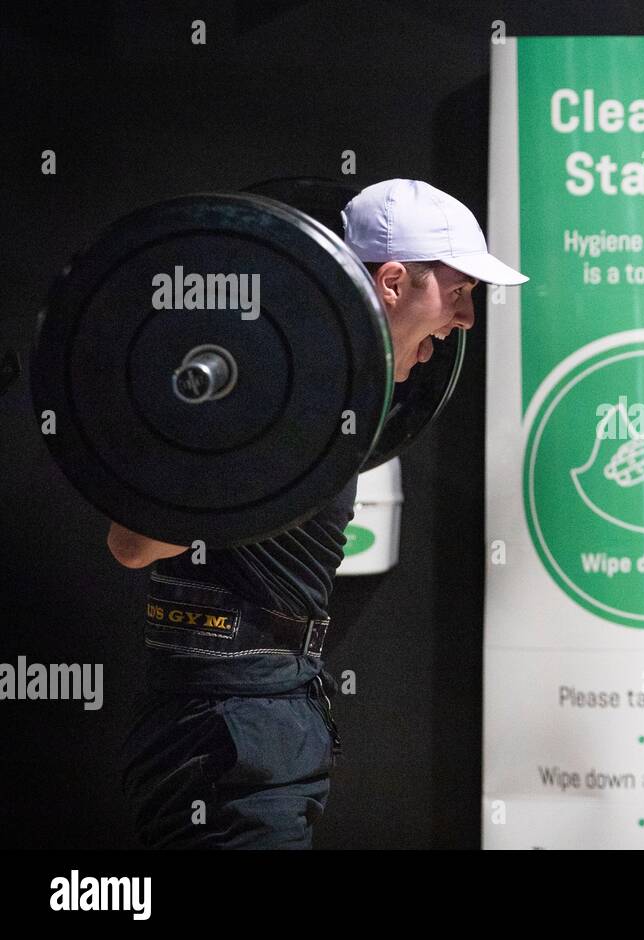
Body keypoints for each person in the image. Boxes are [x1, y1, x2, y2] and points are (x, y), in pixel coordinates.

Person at [114, 179, 526, 848]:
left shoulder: (327, 408)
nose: (466, 319)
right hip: (226, 731)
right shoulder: (274, 397)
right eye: (458, 292)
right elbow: (132, 541)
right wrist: (252, 451)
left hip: (271, 717)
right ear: (392, 282)